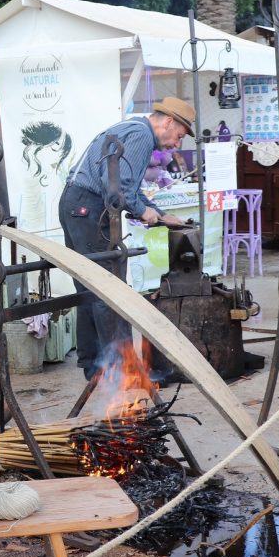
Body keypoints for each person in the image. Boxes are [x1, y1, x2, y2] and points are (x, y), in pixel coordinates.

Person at [58, 97, 195, 381]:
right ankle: (121, 369)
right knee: (108, 290)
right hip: (88, 209)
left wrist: (158, 213)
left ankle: (94, 366)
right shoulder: (141, 136)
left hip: (76, 204)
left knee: (89, 288)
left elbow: (128, 185)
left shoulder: (131, 128)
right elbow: (118, 192)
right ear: (168, 122)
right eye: (179, 136)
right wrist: (143, 211)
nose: (176, 145)